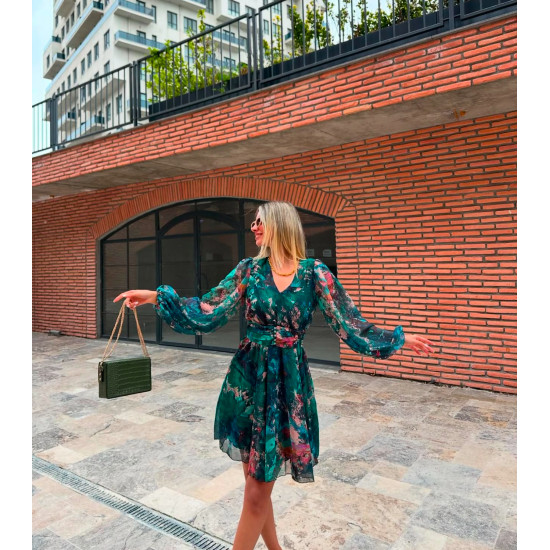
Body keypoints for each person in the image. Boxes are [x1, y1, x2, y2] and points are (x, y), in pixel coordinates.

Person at [114, 201, 434, 550]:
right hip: (247, 380)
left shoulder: (315, 274)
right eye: (252, 222)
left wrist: (397, 339)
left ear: (280, 225)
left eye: (260, 221)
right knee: (256, 488)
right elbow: (210, 310)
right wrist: (153, 296)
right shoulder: (248, 270)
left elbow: (349, 324)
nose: (253, 227)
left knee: (256, 490)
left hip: (287, 384)